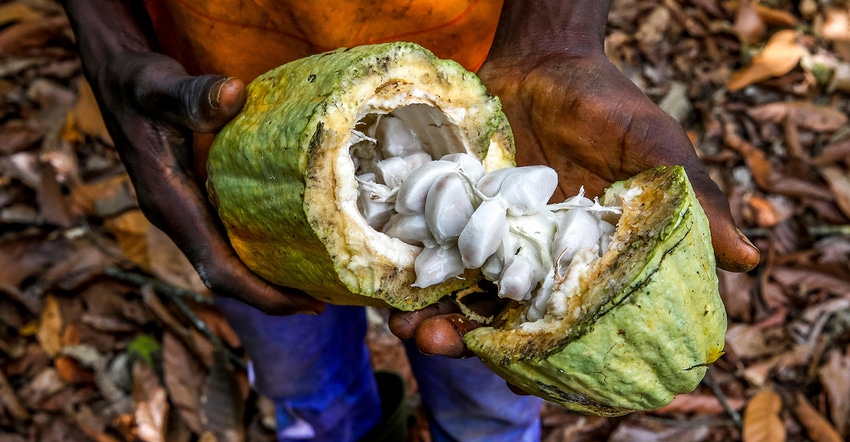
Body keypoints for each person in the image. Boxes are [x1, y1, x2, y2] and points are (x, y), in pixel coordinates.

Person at [61, 1, 761, 440]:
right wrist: (105, 36)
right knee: (297, 365)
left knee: (485, 395)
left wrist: (556, 33)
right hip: (220, 102)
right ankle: (326, 425)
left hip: (491, 60)